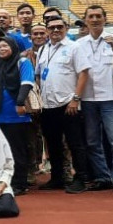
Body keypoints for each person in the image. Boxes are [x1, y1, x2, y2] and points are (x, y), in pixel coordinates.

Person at [75, 5, 113, 194]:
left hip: (111, 98)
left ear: (105, 19)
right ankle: (103, 177)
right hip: (88, 99)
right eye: (91, 16)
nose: (95, 19)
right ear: (86, 20)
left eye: (99, 16)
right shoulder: (79, 44)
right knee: (92, 141)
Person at [35, 16, 93, 193]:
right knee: (53, 144)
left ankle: (82, 178)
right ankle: (57, 177)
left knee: (75, 143)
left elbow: (83, 73)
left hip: (68, 103)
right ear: (47, 30)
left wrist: (75, 98)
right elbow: (39, 74)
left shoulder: (74, 48)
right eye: (51, 27)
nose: (55, 30)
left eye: (59, 27)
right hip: (48, 105)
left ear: (66, 28)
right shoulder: (44, 49)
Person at [0, 36, 35, 195]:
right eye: (0, 47)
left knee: (17, 149)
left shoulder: (22, 62)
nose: (2, 49)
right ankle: (3, 181)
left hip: (16, 113)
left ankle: (20, 183)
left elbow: (27, 82)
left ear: (13, 47)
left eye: (6, 46)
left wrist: (20, 102)